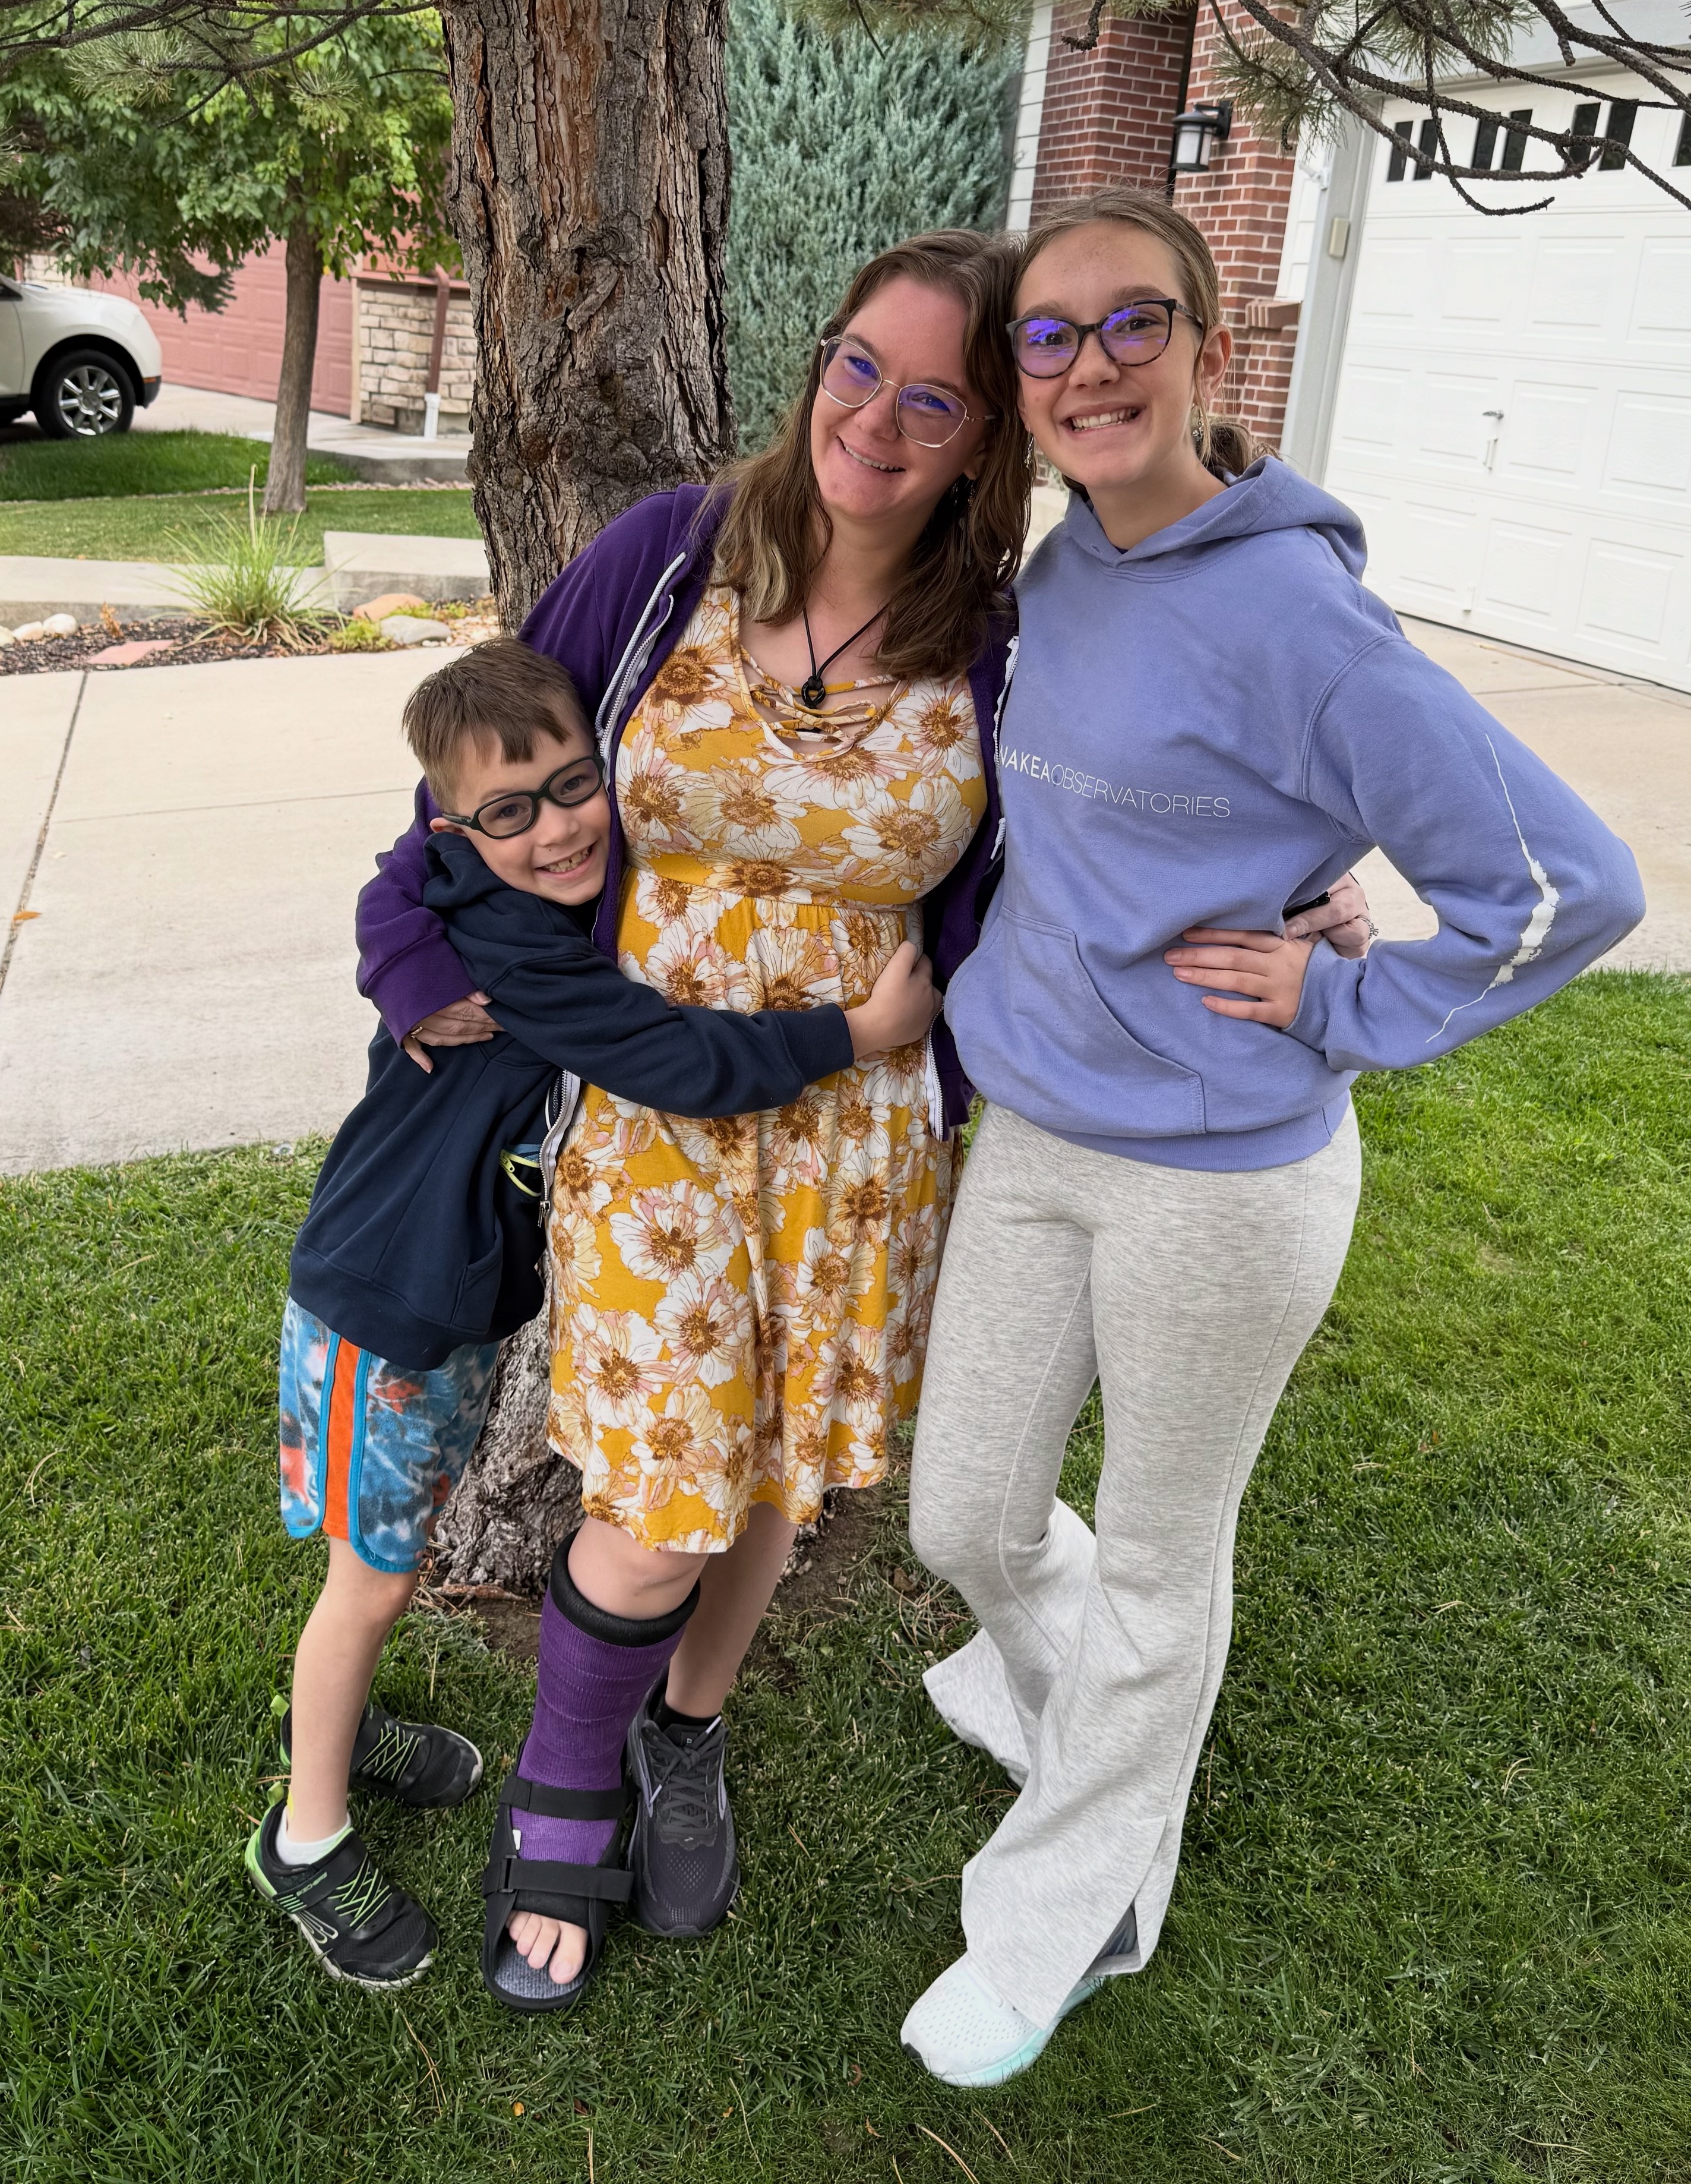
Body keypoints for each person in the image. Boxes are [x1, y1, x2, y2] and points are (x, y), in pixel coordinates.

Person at [357, 229, 1361, 2012]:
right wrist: (404, 946)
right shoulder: (667, 558)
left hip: (863, 1132)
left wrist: (1297, 889)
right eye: (857, 368)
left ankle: (687, 1730)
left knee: (773, 1469)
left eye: (935, 401)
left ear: (987, 442)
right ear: (817, 361)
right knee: (658, 1495)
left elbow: (1134, 806)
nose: (877, 422)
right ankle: (558, 1793)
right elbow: (484, 775)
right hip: (654, 1115)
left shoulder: (1007, 638)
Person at [897, 185, 1648, 2087]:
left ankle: (1073, 1914)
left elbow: (1572, 887)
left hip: (1222, 1177)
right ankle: (1091, 1732)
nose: (1089, 366)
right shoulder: (1071, 565)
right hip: (1037, 1129)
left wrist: (1341, 1000)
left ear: (1214, 348)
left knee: (1162, 1562)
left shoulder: (1308, 624)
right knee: (966, 1514)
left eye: (1133, 323)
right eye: (1048, 336)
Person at [248, 639, 937, 1992]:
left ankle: (345, 1734)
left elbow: (407, 875)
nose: (559, 827)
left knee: (384, 1564)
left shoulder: (513, 892)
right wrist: (853, 1036)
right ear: (459, 827)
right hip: (378, 1305)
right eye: (511, 810)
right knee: (369, 1579)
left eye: (575, 787)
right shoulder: (511, 947)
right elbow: (670, 1055)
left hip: (447, 1305)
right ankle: (305, 1834)